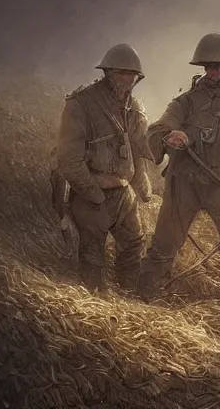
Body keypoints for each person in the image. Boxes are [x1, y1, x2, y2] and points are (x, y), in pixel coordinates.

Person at [136, 32, 220, 340]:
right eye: (207, 65)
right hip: (185, 183)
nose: (212, 71)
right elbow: (160, 125)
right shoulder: (187, 100)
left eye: (218, 65)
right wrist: (169, 137)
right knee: (161, 249)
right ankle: (140, 312)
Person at [55, 43, 153, 291]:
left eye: (131, 75)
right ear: (107, 73)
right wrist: (94, 193)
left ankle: (129, 298)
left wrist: (141, 187)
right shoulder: (81, 105)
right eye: (121, 73)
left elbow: (137, 150)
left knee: (133, 246)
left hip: (124, 194)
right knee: (92, 253)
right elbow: (69, 160)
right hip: (91, 194)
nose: (127, 80)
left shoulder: (134, 108)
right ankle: (94, 306)